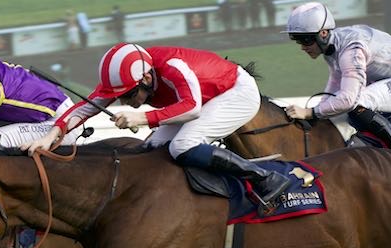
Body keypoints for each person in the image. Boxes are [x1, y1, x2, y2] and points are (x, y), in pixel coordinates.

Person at [22, 43, 294, 212]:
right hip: (204, 99)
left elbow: (191, 108)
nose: (126, 101)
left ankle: (265, 179)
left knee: (182, 146)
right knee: (151, 148)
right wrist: (51, 135)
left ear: (147, 77)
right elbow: (86, 107)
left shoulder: (172, 67)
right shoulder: (131, 75)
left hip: (235, 93)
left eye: (129, 95)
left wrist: (141, 119)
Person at [282, 1, 391, 152]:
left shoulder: (351, 49)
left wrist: (311, 112)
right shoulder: (332, 47)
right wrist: (316, 114)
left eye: (306, 40)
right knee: (339, 106)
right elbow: (335, 84)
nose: (303, 47)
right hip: (387, 79)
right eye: (298, 40)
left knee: (357, 103)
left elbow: (349, 99)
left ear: (323, 33)